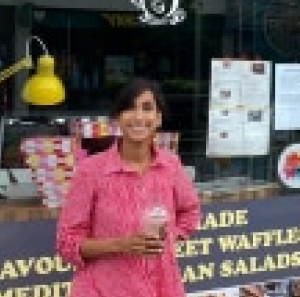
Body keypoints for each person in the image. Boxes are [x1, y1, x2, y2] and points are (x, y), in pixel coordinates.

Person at [57, 77, 200, 297]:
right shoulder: (91, 171)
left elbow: (190, 212)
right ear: (117, 119)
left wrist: (169, 236)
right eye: (129, 108)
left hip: (161, 287)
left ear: (158, 118)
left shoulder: (170, 165)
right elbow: (67, 244)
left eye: (147, 108)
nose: (138, 117)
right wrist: (122, 244)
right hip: (102, 289)